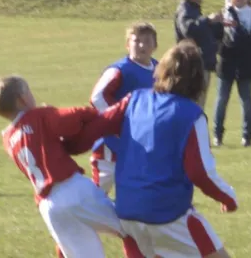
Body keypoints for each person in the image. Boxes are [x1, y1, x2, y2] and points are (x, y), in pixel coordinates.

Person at [63, 40, 238, 258]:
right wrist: (228, 198)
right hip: (169, 217)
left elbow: (96, 127)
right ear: (198, 80)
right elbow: (200, 171)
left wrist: (65, 145)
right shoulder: (191, 115)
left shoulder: (133, 100)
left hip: (127, 213)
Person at [0, 76, 123, 258]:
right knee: (134, 226)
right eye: (28, 91)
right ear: (22, 99)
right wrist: (94, 113)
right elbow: (71, 119)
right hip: (72, 190)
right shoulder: (38, 116)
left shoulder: (7, 138)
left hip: (49, 207)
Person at [89, 21, 158, 195]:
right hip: (111, 143)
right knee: (98, 193)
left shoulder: (159, 69)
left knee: (138, 190)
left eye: (147, 41)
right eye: (136, 41)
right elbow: (97, 97)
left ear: (155, 45)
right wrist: (118, 120)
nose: (142, 45)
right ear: (128, 45)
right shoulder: (120, 70)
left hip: (141, 141)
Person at [213, 0, 251, 147]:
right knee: (222, 99)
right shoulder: (224, 14)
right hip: (226, 61)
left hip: (246, 62)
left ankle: (247, 136)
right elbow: (216, 36)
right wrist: (222, 49)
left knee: (246, 100)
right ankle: (217, 135)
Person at [174, 0, 224, 108]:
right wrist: (208, 20)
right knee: (194, 103)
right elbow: (188, 29)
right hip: (193, 64)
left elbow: (204, 32)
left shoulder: (193, 10)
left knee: (199, 102)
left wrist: (217, 23)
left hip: (201, 63)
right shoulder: (185, 10)